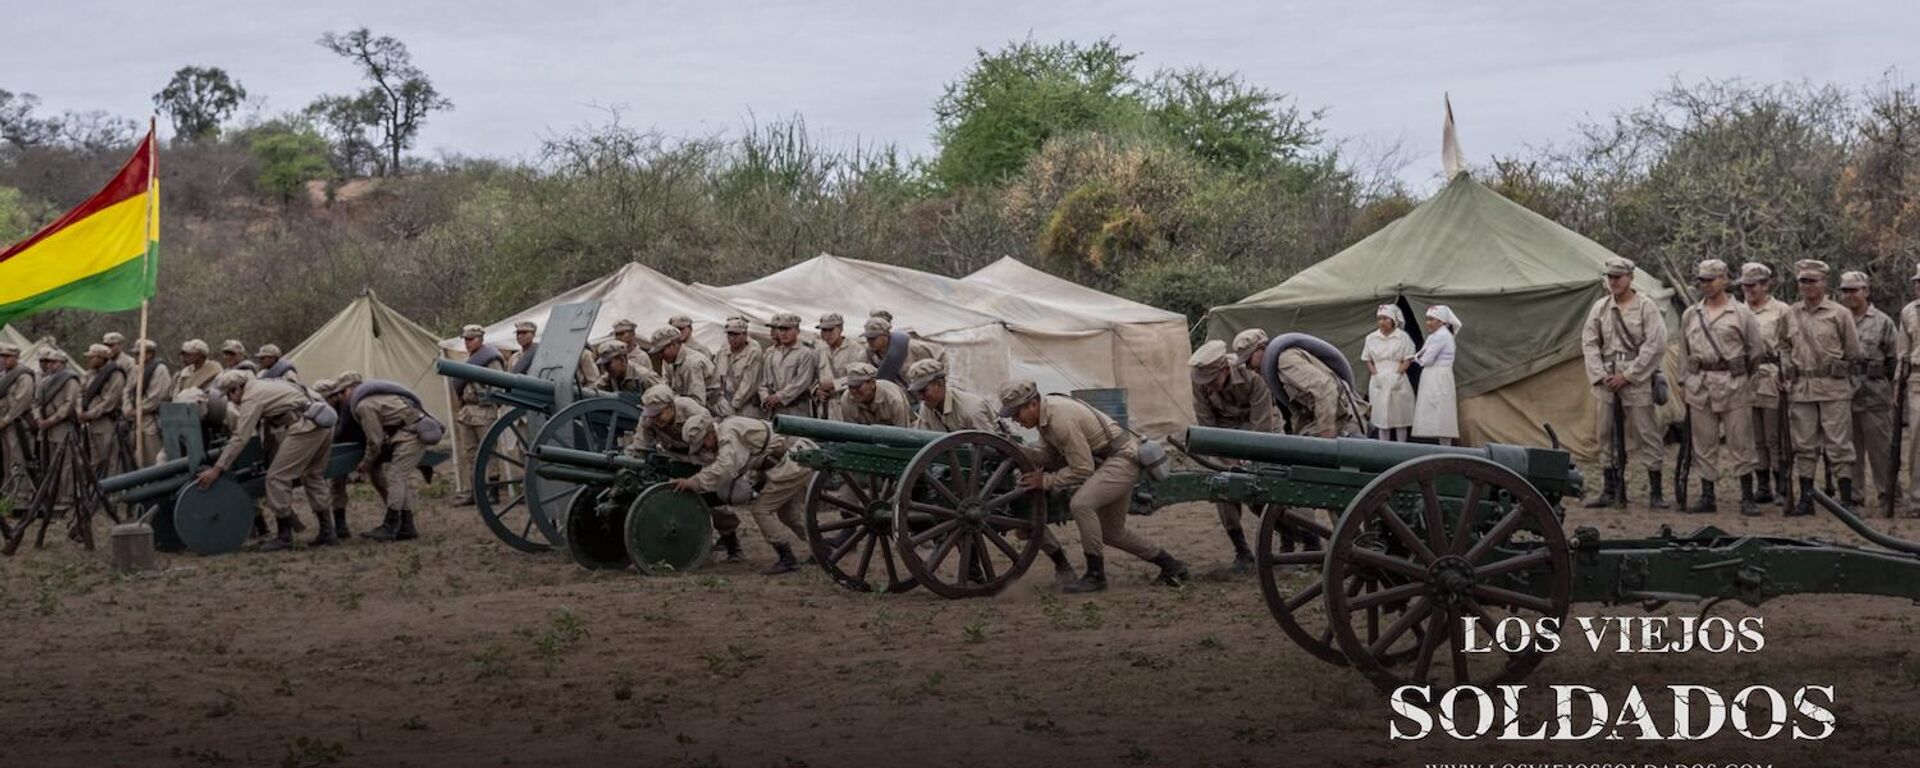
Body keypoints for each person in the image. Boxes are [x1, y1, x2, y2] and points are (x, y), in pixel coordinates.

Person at [999, 379, 1190, 593]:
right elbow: (1049, 456)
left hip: (1122, 458)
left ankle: (1096, 576)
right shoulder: (1046, 418)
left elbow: (1082, 468)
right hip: (1112, 459)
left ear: (1032, 404)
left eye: (1017, 413)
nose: (1015, 420)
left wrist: (1046, 481)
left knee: (1081, 504)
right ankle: (1172, 566)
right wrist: (1019, 450)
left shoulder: (1059, 419)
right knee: (1111, 532)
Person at [196, 370, 334, 550]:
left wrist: (217, 469)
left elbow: (240, 437)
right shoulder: (265, 384)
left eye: (230, 394)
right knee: (313, 474)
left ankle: (284, 537)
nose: (230, 400)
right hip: (321, 419)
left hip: (305, 425)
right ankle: (328, 532)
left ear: (237, 388)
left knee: (276, 478)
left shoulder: (252, 397)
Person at [668, 413, 813, 574]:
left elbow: (725, 468)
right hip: (789, 461)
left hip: (792, 461)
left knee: (761, 510)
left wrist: (693, 482)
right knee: (789, 515)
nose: (706, 448)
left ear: (710, 433)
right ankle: (821, 548)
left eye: (704, 444)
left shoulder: (728, 433)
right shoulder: (726, 432)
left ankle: (787, 558)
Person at [1676, 259, 1764, 515]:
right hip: (1700, 384)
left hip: (1733, 384)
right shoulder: (1692, 314)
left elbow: (1755, 351)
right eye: (1702, 280)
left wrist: (1744, 378)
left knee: (1741, 442)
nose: (1706, 284)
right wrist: (1685, 382)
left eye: (1711, 279)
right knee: (1704, 443)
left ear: (1724, 279)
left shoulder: (1742, 313)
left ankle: (1747, 496)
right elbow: (1684, 351)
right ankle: (1707, 495)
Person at [1580, 256, 1669, 509]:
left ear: (1631, 278)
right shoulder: (1600, 307)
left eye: (1618, 277)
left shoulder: (1646, 307)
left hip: (1636, 380)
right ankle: (1610, 489)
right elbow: (1589, 342)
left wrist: (1628, 375)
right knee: (1605, 434)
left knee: (1647, 433)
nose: (1613, 282)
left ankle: (1656, 492)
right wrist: (1600, 375)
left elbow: (1655, 344)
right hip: (1607, 380)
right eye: (1610, 277)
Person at [1780, 259, 1862, 517]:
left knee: (1839, 445)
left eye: (1812, 281)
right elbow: (1782, 345)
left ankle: (1846, 501)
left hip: (1832, 388)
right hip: (1801, 389)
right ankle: (1806, 499)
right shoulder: (1790, 314)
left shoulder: (1839, 314)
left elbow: (1853, 351)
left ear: (1824, 283)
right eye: (1803, 281)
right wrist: (1786, 369)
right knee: (1804, 446)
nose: (1807, 286)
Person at [1189, 340, 1280, 570]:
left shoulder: (1253, 378)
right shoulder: (1200, 383)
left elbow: (1263, 425)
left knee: (1267, 490)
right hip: (1225, 437)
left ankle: (1290, 539)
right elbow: (1207, 425)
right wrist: (1229, 461)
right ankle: (1241, 551)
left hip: (1260, 432)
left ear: (1224, 370)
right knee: (1221, 487)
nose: (1208, 387)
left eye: (1212, 381)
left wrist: (1248, 461)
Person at [628, 385, 741, 561]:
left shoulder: (691, 409)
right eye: (652, 415)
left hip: (703, 457)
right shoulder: (648, 419)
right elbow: (640, 447)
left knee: (714, 501)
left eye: (659, 414)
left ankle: (733, 545)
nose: (655, 420)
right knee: (676, 498)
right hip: (676, 458)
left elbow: (709, 436)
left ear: (671, 406)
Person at [345, 377, 436, 541]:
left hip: (410, 434)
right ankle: (407, 526)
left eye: (343, 392)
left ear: (349, 390)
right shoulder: (374, 398)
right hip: (410, 431)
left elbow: (375, 441)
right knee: (399, 478)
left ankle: (391, 526)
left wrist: (366, 464)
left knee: (396, 477)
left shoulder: (363, 406)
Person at [1838, 271, 1897, 510]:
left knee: (1881, 450)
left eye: (1855, 289)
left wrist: (1889, 388)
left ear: (1866, 291)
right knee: (1850, 450)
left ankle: (1888, 495)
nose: (1850, 295)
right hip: (1844, 392)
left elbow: (1893, 360)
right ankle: (1854, 496)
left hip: (1874, 393)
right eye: (1845, 290)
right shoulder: (1838, 318)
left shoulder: (1883, 321)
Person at [1741, 262, 1792, 504]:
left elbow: (1792, 344)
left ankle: (1782, 484)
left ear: (1765, 285)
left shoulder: (1781, 310)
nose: (1749, 290)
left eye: (1753, 285)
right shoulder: (1738, 310)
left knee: (1775, 435)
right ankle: (1762, 486)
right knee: (1755, 437)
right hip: (1745, 377)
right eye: (1745, 285)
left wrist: (1788, 374)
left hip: (1773, 373)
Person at [452, 324, 507, 506]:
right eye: (466, 339)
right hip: (467, 410)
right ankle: (475, 491)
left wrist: (488, 398)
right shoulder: (471, 360)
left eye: (471, 339)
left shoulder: (491, 359)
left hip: (484, 409)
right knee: (470, 453)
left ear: (481, 339)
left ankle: (493, 491)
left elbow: (499, 385)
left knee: (489, 451)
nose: (468, 343)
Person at [1270, 344, 1364, 438]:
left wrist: (1326, 429)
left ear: (1260, 349)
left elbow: (1326, 389)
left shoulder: (1286, 361)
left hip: (1343, 423)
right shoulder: (1277, 371)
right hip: (1329, 423)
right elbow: (1299, 410)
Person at [33, 349, 82, 505]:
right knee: (47, 461)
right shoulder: (44, 381)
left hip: (62, 427)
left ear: (62, 363)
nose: (50, 365)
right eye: (48, 362)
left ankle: (65, 495)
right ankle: (51, 493)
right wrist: (38, 418)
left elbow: (69, 404)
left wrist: (52, 420)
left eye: (54, 362)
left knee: (65, 463)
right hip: (45, 427)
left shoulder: (70, 380)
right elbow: (36, 402)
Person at [1363, 307, 1417, 442]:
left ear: (1393, 320)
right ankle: (1382, 448)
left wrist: (1397, 374)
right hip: (1379, 378)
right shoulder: (1371, 338)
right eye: (1380, 319)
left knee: (1399, 416)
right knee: (1382, 417)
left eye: (1385, 318)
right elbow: (1367, 359)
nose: (1382, 322)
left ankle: (1401, 446)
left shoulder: (1403, 337)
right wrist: (1375, 375)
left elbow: (1408, 359)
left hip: (1397, 377)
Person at [907, 359, 1001, 434]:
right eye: (917, 392)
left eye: (923, 391)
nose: (920, 397)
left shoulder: (971, 411)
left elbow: (990, 447)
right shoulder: (927, 407)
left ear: (939, 384)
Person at [1413, 306, 1462, 445]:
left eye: (1431, 319)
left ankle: (1445, 446)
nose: (1428, 323)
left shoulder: (1441, 336)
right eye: (1427, 319)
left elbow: (1426, 360)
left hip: (1438, 376)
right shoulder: (1436, 336)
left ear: (1441, 321)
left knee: (1441, 410)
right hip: (1434, 375)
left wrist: (1416, 359)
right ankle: (1442, 444)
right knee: (1437, 411)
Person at [77, 344, 126, 479]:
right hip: (91, 423)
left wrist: (90, 414)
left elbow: (111, 400)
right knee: (95, 460)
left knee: (110, 459)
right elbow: (80, 392)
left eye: (91, 357)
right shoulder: (90, 374)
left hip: (106, 422)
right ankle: (97, 491)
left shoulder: (115, 373)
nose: (89, 360)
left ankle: (113, 494)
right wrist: (80, 411)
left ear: (100, 358)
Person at [759, 312, 819, 420]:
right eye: (781, 329)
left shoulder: (805, 353)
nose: (783, 333)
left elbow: (802, 382)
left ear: (797, 331)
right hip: (774, 410)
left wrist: (779, 397)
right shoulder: (772, 354)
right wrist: (765, 398)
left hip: (797, 410)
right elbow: (763, 381)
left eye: (788, 329)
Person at [649, 325, 722, 411]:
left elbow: (697, 403)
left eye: (662, 351)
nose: (660, 355)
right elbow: (665, 387)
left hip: (712, 411)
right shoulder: (669, 360)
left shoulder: (691, 364)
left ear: (674, 344)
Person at [862, 316, 943, 385]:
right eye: (868, 338)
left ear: (885, 335)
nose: (869, 341)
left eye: (873, 338)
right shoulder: (868, 355)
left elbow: (940, 354)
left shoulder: (913, 347)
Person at [129, 340, 172, 467]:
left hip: (152, 420)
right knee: (137, 459)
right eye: (135, 354)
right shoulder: (136, 369)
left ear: (149, 354)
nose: (136, 357)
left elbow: (156, 397)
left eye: (139, 354)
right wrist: (128, 409)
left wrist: (139, 410)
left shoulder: (160, 369)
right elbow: (127, 390)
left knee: (153, 457)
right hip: (135, 421)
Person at [1899, 264, 1920, 516]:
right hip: (1917, 378)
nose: (1918, 285)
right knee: (1916, 440)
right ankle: (1917, 501)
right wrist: (1898, 386)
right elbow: (1902, 352)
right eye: (1916, 281)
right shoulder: (1908, 312)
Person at [0, 343, 35, 492]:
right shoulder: (4, 375)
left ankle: (21, 494)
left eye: (7, 356)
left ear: (16, 357)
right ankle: (9, 492)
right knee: (7, 459)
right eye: (2, 356)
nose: (3, 359)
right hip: (4, 424)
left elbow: (21, 403)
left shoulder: (24, 376)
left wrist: (5, 420)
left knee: (18, 458)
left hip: (18, 424)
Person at [812, 313, 861, 419]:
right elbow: (812, 377)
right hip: (825, 408)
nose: (827, 334)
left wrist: (836, 384)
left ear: (840, 329)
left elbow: (860, 378)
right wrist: (816, 391)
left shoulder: (855, 350)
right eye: (824, 330)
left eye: (830, 330)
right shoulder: (819, 350)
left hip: (846, 406)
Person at [716, 316, 764, 418]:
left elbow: (748, 384)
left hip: (746, 406)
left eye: (736, 335)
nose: (732, 338)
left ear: (745, 334)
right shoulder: (723, 350)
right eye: (730, 334)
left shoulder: (753, 352)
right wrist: (719, 399)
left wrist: (733, 406)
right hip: (725, 403)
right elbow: (717, 377)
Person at [838, 362, 911, 427]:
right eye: (850, 386)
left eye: (857, 386)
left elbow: (903, 431)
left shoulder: (893, 399)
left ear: (872, 383)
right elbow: (852, 432)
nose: (853, 391)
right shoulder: (846, 399)